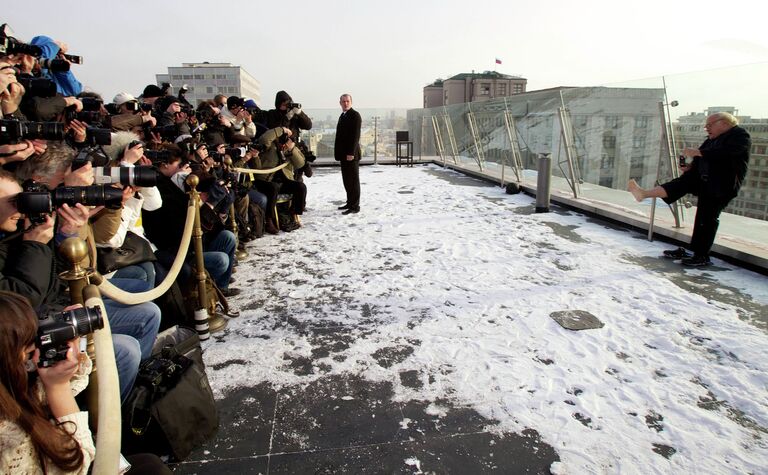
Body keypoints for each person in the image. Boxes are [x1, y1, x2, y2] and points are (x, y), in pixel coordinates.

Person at [627, 112, 750, 266]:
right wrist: (689, 167)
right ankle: (644, 194)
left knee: (706, 219)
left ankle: (701, 256)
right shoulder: (710, 140)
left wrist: (699, 152)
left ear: (724, 123)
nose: (706, 128)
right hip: (704, 181)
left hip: (721, 186)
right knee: (683, 183)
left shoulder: (739, 135)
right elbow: (702, 159)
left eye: (710, 125)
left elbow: (728, 153)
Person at [0, 291, 95, 474]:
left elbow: (78, 374)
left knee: (148, 463)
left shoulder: (12, 385)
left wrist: (78, 338)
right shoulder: (10, 440)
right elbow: (78, 465)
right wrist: (59, 388)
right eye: (28, 351)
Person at [335, 94, 362, 214]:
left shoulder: (355, 115)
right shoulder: (343, 115)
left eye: (348, 101)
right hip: (343, 155)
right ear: (340, 103)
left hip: (351, 154)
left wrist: (351, 152)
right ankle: (349, 202)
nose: (346, 103)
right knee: (347, 180)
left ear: (351, 102)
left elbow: (355, 136)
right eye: (343, 101)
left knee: (353, 180)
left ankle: (355, 206)